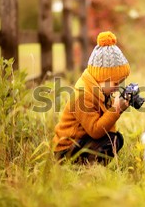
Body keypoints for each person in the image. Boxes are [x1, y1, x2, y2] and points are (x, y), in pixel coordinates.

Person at [53, 31, 130, 164]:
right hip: (66, 149)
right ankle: (85, 167)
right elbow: (95, 131)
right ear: (102, 79)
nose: (118, 87)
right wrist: (115, 110)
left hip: (81, 140)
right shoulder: (83, 96)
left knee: (116, 139)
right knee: (110, 140)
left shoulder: (101, 91)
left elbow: (107, 127)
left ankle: (90, 164)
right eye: (115, 83)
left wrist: (116, 108)